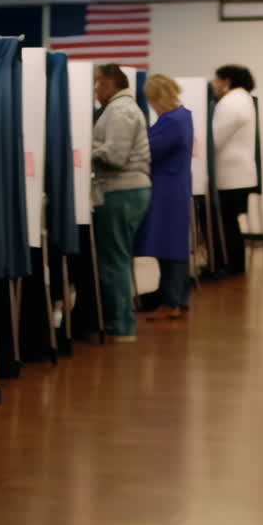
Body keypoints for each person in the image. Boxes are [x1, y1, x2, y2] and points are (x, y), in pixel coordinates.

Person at [91, 64, 151, 342]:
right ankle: (120, 321)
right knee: (119, 258)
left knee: (113, 260)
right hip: (126, 190)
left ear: (110, 83)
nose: (94, 89)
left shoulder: (120, 111)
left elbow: (115, 155)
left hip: (120, 190)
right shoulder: (122, 108)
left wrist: (81, 147)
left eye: (98, 83)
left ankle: (121, 325)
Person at [135, 74, 194, 319]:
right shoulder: (184, 115)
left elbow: (150, 149)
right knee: (174, 245)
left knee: (168, 246)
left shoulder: (171, 121)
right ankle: (176, 299)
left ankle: (172, 303)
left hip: (166, 188)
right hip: (175, 185)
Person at [210, 64, 258, 277]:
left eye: (216, 79)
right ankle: (231, 264)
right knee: (230, 223)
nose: (213, 84)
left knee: (226, 223)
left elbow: (215, 138)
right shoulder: (243, 98)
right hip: (239, 174)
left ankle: (227, 265)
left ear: (226, 81)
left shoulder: (231, 102)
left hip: (230, 175)